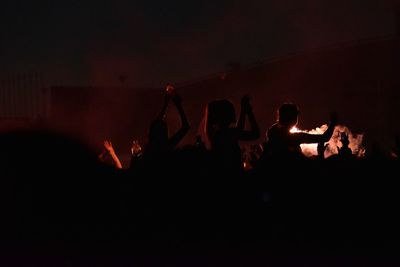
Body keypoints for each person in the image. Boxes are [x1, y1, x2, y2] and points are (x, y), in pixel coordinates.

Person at [205, 95, 260, 173]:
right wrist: (248, 112)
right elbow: (255, 134)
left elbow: (238, 130)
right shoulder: (226, 134)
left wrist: (244, 110)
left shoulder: (215, 135)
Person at [264, 103, 337, 159]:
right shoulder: (294, 137)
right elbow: (324, 138)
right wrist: (332, 123)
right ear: (294, 119)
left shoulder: (272, 132)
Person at [141, 84, 190, 164]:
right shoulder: (167, 146)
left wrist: (165, 104)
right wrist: (179, 106)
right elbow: (185, 127)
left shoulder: (148, 151)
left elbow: (156, 124)